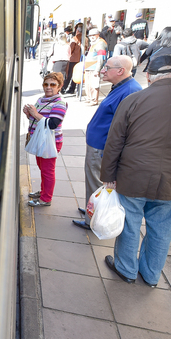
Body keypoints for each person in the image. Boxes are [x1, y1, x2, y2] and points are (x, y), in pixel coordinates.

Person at [101, 55, 171, 287]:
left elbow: (115, 142)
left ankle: (126, 269)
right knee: (162, 228)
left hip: (134, 176)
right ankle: (151, 275)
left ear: (149, 75)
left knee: (130, 224)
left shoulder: (134, 100)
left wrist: (108, 176)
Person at [71, 55, 141, 231]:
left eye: (106, 67)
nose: (102, 70)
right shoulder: (122, 87)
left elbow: (124, 127)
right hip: (99, 144)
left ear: (120, 71)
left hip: (102, 147)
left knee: (97, 183)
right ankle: (91, 211)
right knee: (93, 182)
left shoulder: (130, 91)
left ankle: (93, 221)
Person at [24, 72, 68, 207]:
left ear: (59, 86)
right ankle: (44, 191)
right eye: (46, 84)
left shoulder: (60, 103)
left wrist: (35, 114)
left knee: (48, 170)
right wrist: (29, 114)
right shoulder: (41, 100)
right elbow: (35, 120)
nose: (49, 87)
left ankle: (46, 198)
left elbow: (52, 124)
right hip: (39, 139)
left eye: (53, 85)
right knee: (42, 168)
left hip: (51, 141)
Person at [84, 28, 107, 105]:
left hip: (94, 67)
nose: (92, 37)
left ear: (98, 35)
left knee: (94, 84)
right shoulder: (94, 43)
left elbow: (101, 58)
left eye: (94, 35)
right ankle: (90, 97)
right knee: (88, 84)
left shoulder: (100, 43)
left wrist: (97, 69)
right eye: (90, 35)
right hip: (89, 67)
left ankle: (94, 99)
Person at [63, 24, 83, 94]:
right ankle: (72, 88)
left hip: (72, 59)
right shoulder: (85, 38)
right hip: (79, 59)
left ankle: (64, 88)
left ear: (77, 30)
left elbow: (71, 49)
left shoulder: (75, 39)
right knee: (76, 75)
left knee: (69, 75)